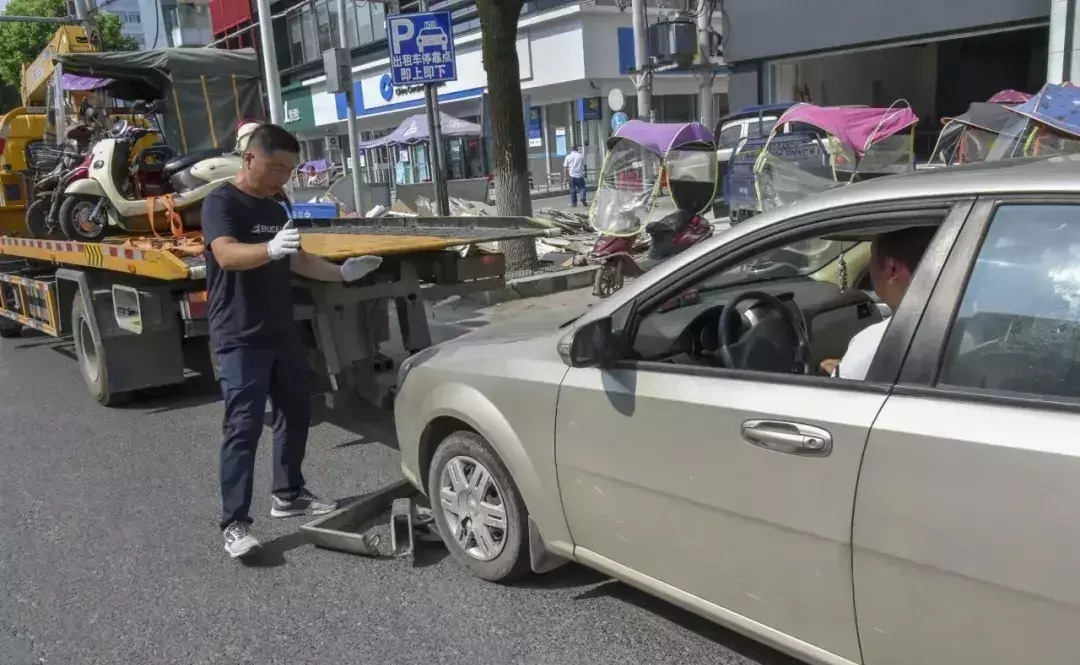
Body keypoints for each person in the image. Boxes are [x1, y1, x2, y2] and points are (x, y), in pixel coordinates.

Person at [202, 123, 383, 559]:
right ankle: (235, 524)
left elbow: (297, 257)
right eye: (276, 167)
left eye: (289, 169)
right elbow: (225, 253)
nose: (284, 178)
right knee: (243, 427)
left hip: (280, 329)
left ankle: (288, 493)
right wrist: (268, 249)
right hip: (238, 334)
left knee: (295, 412)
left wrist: (341, 273)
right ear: (250, 159)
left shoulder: (278, 201)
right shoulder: (221, 202)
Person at [823, 227, 935, 380]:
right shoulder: (962, 322)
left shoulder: (873, 346)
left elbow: (836, 397)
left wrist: (848, 367)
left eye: (872, 256)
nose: (869, 266)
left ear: (892, 269)